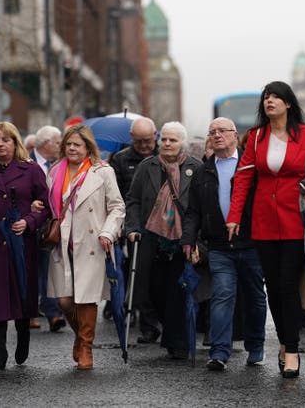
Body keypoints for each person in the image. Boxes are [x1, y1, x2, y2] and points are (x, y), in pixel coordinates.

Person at [226, 81, 305, 378]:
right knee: (273, 288)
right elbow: (242, 179)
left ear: (288, 103)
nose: (270, 101)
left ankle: (292, 351)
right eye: (266, 97)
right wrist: (234, 216)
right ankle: (283, 340)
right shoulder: (255, 137)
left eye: (276, 97)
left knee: (287, 285)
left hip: (295, 220)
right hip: (263, 221)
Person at [181, 117, 267, 371]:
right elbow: (193, 211)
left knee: (255, 297)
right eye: (212, 132)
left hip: (251, 244)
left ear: (234, 135)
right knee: (222, 295)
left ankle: (256, 345)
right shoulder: (202, 171)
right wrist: (188, 238)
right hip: (219, 246)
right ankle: (219, 352)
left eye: (222, 131)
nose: (217, 135)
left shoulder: (251, 167)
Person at [0, 122, 50, 370]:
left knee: (22, 292)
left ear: (15, 143)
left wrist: (29, 221)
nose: (1, 144)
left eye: (6, 139)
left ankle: (23, 336)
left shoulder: (31, 170)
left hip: (22, 243)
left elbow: (46, 205)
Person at [46, 125, 125, 370]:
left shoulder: (102, 172)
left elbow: (117, 207)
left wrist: (108, 232)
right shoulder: (54, 171)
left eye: (77, 144)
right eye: (68, 144)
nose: (71, 148)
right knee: (65, 301)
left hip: (91, 243)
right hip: (62, 242)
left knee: (86, 299)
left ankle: (86, 347)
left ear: (88, 147)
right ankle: (81, 338)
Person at [125, 121, 201, 359]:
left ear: (182, 144)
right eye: (164, 139)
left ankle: (176, 342)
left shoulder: (195, 167)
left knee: (177, 290)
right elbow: (133, 199)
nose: (167, 144)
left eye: (173, 140)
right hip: (151, 238)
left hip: (183, 238)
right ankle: (169, 331)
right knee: (154, 290)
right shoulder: (147, 166)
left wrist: (197, 238)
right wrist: (133, 227)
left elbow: (200, 206)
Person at [109, 117, 158, 340]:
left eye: (148, 140)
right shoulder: (120, 160)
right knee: (139, 274)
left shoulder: (165, 153)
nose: (144, 145)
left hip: (164, 224)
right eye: (139, 141)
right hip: (135, 226)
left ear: (155, 135)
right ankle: (148, 324)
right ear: (131, 139)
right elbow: (115, 196)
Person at [29, 125, 65, 331]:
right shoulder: (26, 162)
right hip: (29, 224)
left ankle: (53, 314)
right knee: (32, 270)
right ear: (45, 143)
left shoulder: (58, 165)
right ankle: (31, 313)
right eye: (58, 142)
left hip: (51, 225)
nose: (60, 146)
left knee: (50, 269)